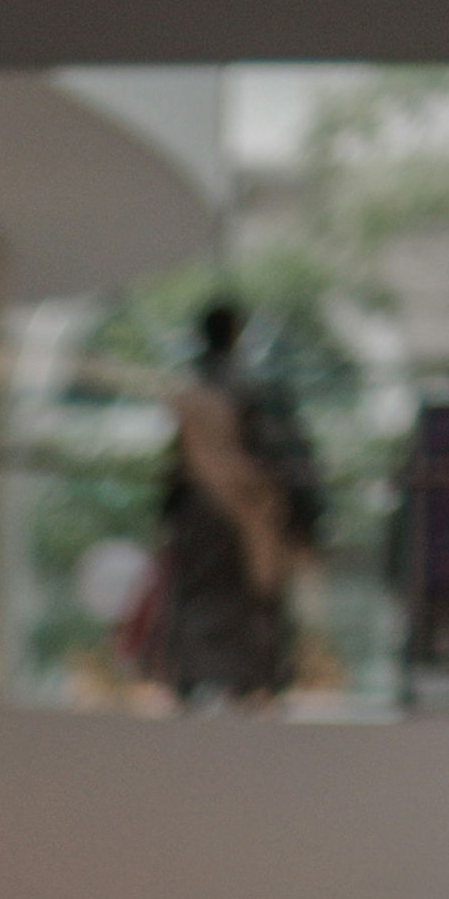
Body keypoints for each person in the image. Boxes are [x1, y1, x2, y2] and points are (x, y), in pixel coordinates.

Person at [158, 296, 314, 707]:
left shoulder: (203, 388)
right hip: (234, 508)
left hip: (212, 510)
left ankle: (213, 679)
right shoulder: (245, 388)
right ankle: (241, 680)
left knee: (222, 597)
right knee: (241, 597)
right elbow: (274, 449)